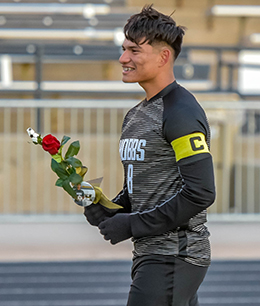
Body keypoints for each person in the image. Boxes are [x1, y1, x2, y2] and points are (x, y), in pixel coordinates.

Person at [84, 4, 215, 306]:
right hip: (152, 254)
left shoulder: (181, 113)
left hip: (175, 256)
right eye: (123, 49)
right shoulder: (136, 115)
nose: (123, 58)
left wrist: (131, 225)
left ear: (163, 56)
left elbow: (201, 192)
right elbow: (143, 190)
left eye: (134, 50)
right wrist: (110, 209)